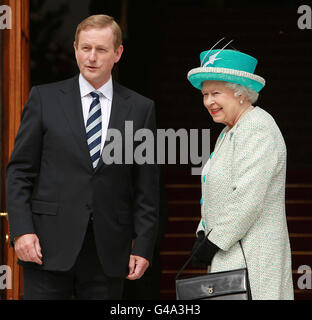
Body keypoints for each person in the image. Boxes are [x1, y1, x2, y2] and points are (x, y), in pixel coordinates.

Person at [6, 14, 159, 300]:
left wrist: (143, 245)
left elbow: (146, 186)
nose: (91, 57)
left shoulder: (140, 109)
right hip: (45, 248)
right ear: (75, 48)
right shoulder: (43, 99)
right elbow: (19, 172)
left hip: (109, 252)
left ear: (117, 53)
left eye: (101, 50)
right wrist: (22, 231)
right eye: (85, 48)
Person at [187, 40, 294, 300]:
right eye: (205, 94)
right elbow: (218, 191)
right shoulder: (228, 132)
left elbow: (248, 198)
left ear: (241, 93)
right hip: (230, 257)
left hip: (252, 260)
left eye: (216, 93)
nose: (208, 101)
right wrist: (203, 231)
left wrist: (213, 241)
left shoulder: (258, 127)